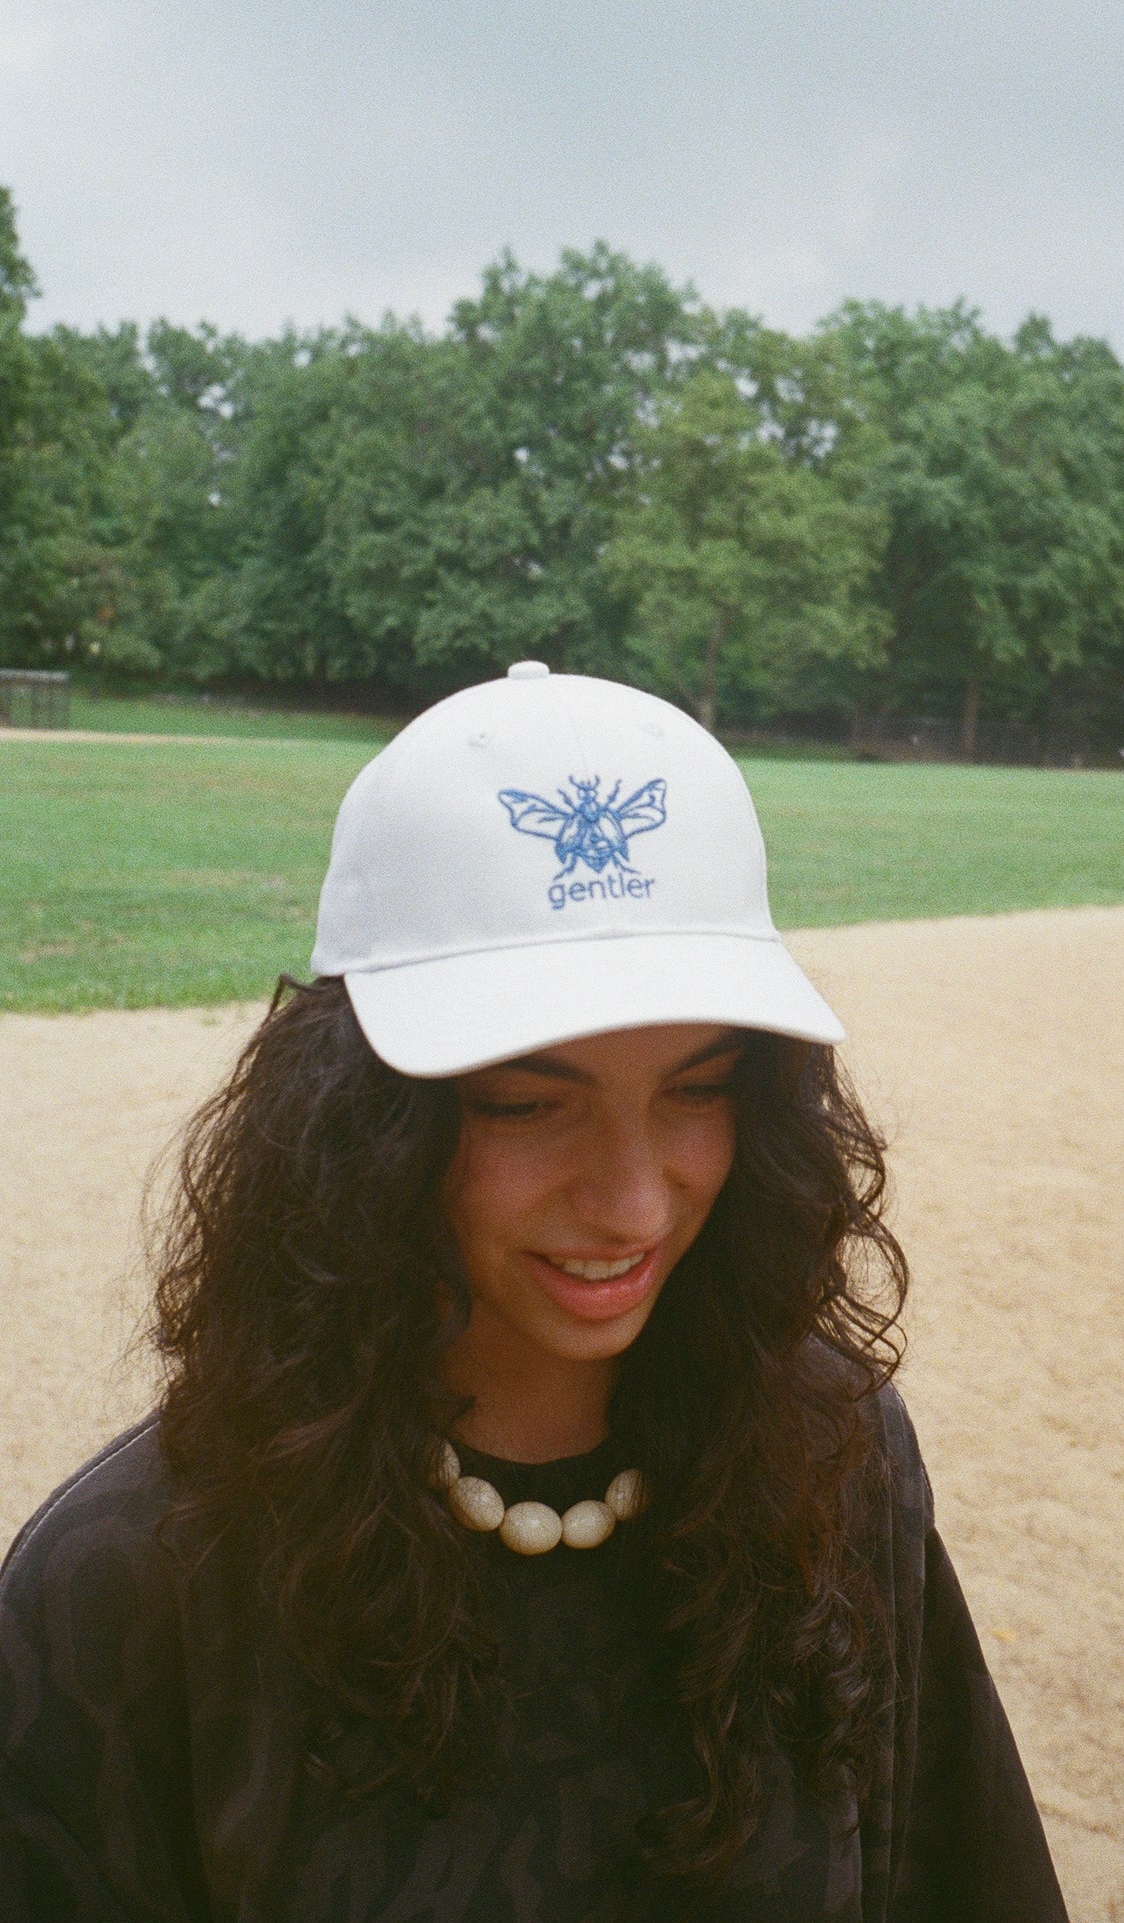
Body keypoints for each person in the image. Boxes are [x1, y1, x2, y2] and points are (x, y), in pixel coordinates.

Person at [0, 663, 1068, 1921]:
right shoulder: (133, 1579)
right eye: (525, 1102)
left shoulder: (835, 1460)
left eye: (698, 1086)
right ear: (360, 1120)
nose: (632, 1201)